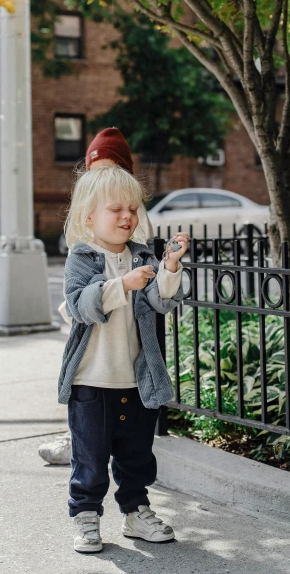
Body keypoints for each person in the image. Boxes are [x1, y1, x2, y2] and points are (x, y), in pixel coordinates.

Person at [58, 164, 188, 552]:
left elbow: (162, 301)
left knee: (136, 456)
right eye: (116, 209)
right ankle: (86, 517)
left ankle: (136, 512)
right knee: (90, 459)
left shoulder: (142, 256)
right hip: (91, 381)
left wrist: (170, 266)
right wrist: (121, 285)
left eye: (132, 209)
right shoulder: (81, 258)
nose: (127, 217)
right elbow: (79, 305)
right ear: (89, 217)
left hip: (136, 379)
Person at [38, 128, 154, 466]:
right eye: (94, 172)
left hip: (128, 330)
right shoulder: (88, 225)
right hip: (93, 324)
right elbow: (79, 291)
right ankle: (77, 435)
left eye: (108, 170)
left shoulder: (132, 222)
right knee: (85, 377)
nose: (100, 179)